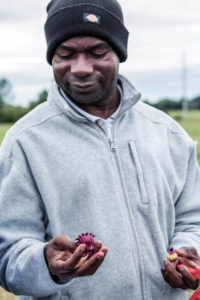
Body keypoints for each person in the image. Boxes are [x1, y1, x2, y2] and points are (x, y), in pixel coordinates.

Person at [0, 0, 200, 299]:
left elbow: (192, 221)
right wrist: (45, 264)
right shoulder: (26, 141)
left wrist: (187, 253)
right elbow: (8, 257)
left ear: (119, 53)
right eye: (64, 54)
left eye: (97, 53)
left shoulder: (168, 134)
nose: (80, 68)